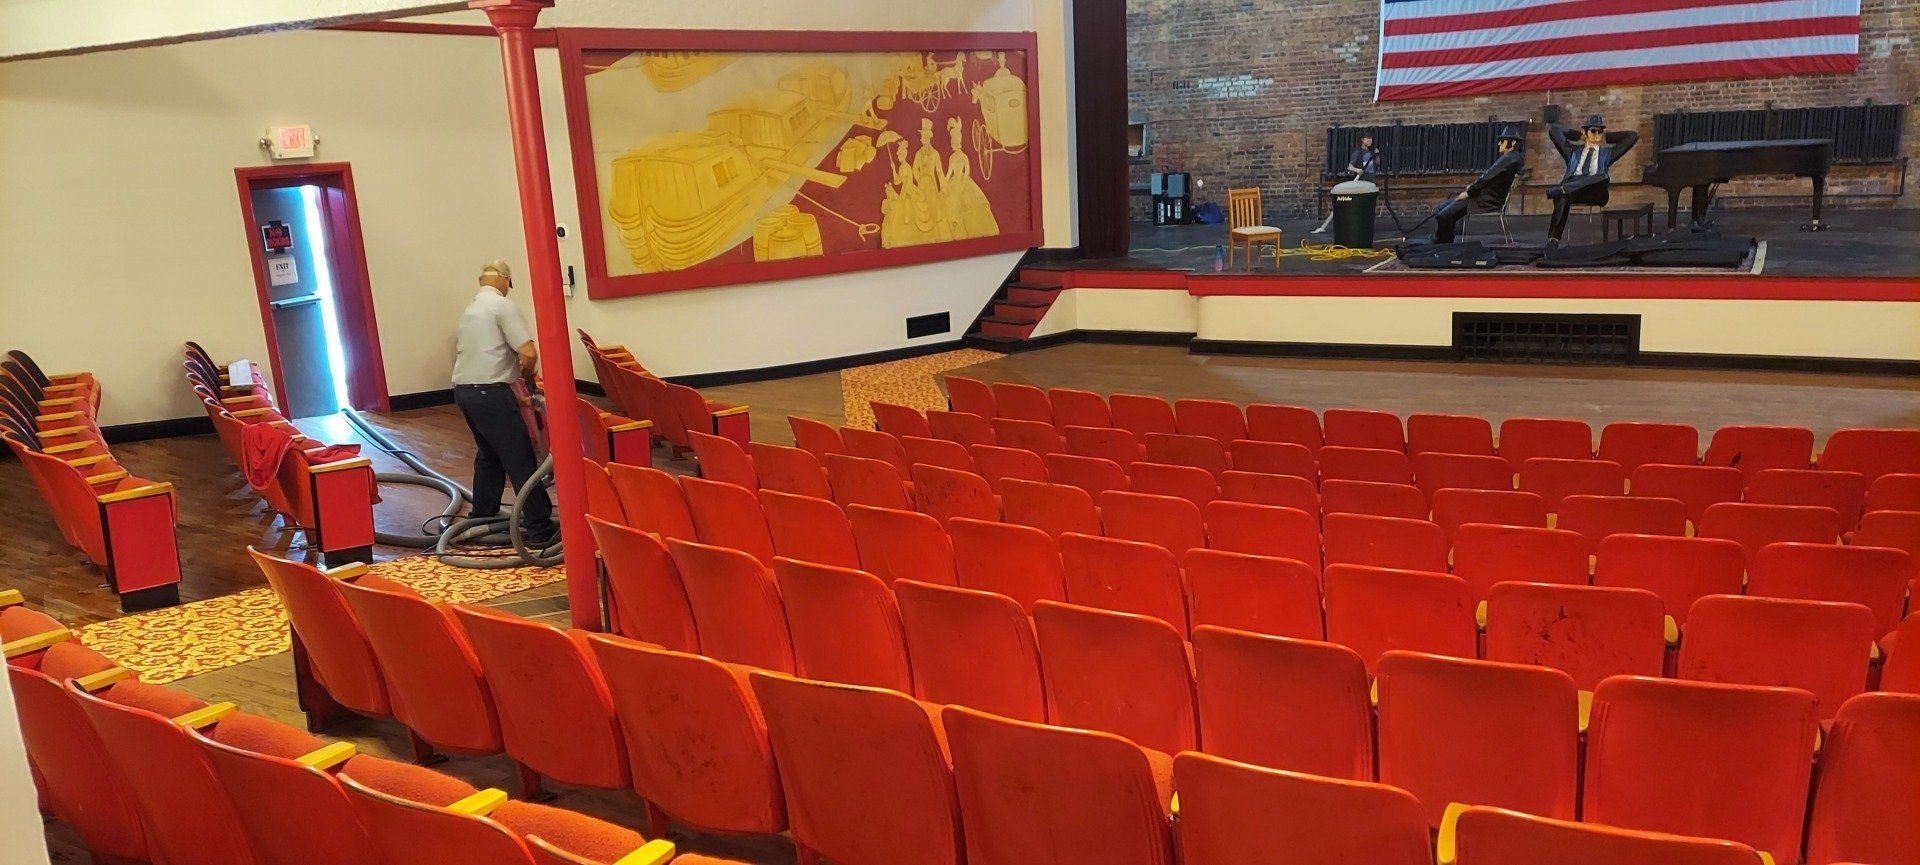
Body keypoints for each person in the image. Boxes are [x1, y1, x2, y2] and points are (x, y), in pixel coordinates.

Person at [452, 260, 555, 545]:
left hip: (465, 392)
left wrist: (513, 392)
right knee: (519, 457)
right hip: (489, 392)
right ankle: (539, 528)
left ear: (480, 280)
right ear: (506, 281)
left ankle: (483, 515)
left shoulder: (470, 310)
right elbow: (528, 352)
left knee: (489, 454)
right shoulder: (502, 307)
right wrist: (528, 379)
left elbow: (485, 356)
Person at [1545, 114, 1638, 245]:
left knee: (1602, 177)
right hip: (1576, 193)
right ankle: (1553, 240)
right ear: (1585, 132)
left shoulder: (1607, 153)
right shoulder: (1572, 152)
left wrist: (1608, 137)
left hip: (1596, 191)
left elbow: (1632, 136)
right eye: (1593, 131)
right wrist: (1578, 136)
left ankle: (1563, 188)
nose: (1597, 134)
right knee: (1563, 198)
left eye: (1600, 132)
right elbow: (1554, 130)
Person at [1432, 125, 1525, 243]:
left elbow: (1486, 177)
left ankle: (1442, 245)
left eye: (1502, 141)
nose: (1499, 144)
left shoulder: (1509, 159)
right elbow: (1489, 177)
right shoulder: (1514, 158)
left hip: (1484, 200)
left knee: (1443, 215)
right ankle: (1442, 239)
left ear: (1512, 143)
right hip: (1483, 197)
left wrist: (1469, 192)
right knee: (1441, 208)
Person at [1313, 133, 1379, 234]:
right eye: (1368, 138)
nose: (1370, 140)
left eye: (1371, 138)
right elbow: (1350, 167)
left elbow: (1376, 164)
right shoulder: (1358, 152)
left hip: (1370, 181)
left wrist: (1377, 154)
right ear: (1362, 139)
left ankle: (1366, 224)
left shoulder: (1370, 152)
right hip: (1361, 181)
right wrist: (1357, 170)